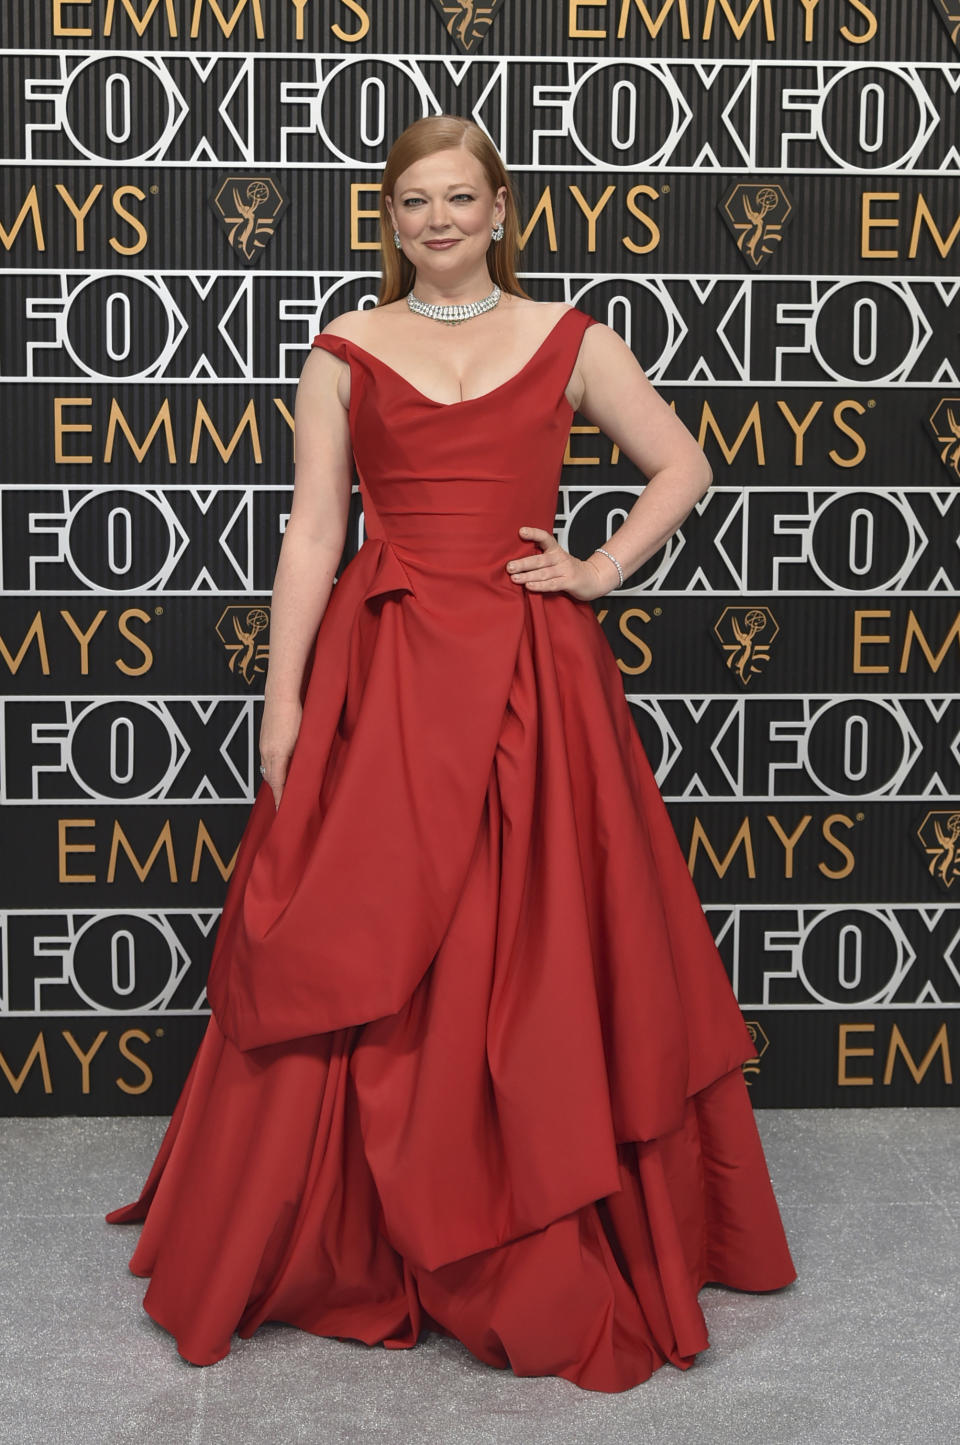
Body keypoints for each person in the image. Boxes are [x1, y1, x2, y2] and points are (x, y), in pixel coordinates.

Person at [106, 114, 795, 1392]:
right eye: (413, 200)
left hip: (538, 678)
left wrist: (594, 570)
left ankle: (529, 1187)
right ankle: (356, 1224)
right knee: (366, 929)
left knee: (533, 938)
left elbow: (683, 462)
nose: (436, 219)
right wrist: (284, 694)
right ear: (389, 217)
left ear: (498, 208)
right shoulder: (346, 350)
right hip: (393, 673)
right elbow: (315, 533)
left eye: (459, 198)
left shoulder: (570, 336)